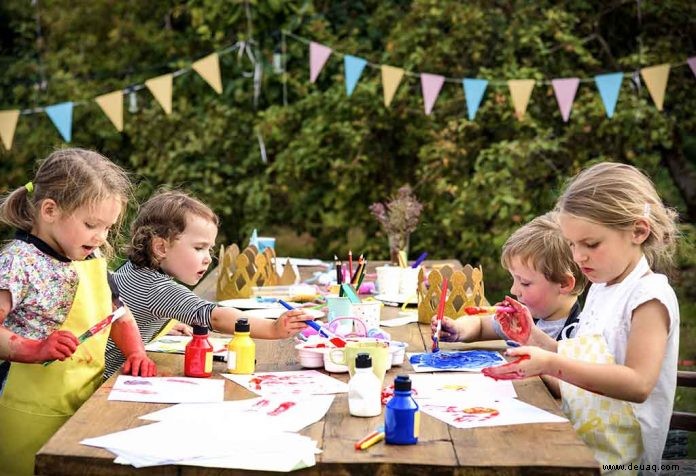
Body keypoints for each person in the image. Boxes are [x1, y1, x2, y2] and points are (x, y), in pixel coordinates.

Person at [487, 162, 680, 473]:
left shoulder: (649, 296)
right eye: (573, 244)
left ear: (638, 231)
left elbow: (638, 383)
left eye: (590, 244)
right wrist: (532, 339)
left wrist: (549, 364)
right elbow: (589, 361)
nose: (578, 257)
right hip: (580, 442)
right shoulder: (602, 286)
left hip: (622, 463)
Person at [0, 148, 157, 475]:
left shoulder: (91, 259)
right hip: (23, 412)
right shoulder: (19, 262)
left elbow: (118, 315)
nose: (100, 237)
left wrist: (136, 353)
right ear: (49, 210)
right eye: (90, 225)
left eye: (107, 228)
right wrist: (35, 348)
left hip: (83, 403)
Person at [104, 190, 310, 379]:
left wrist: (162, 323)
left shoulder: (132, 271)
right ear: (160, 247)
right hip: (106, 383)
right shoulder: (157, 289)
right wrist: (273, 329)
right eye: (199, 248)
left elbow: (136, 307)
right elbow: (216, 317)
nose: (208, 259)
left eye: (209, 250)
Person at [432, 212, 586, 344]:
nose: (514, 290)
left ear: (564, 283)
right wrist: (457, 330)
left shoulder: (579, 334)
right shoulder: (524, 317)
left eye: (525, 283)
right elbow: (481, 325)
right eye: (514, 279)